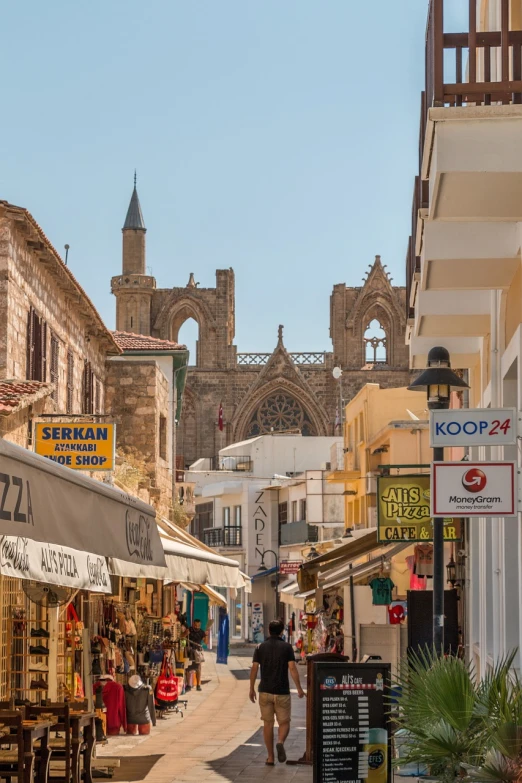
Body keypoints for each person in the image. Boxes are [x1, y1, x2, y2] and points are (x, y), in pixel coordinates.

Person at [249, 619, 305, 766]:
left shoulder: (260, 647)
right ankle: (280, 741)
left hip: (265, 691)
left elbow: (254, 668)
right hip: (282, 692)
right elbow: (292, 668)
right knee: (284, 723)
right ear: (282, 631)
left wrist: (251, 689)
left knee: (267, 724)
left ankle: (270, 757)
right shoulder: (287, 647)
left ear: (268, 630)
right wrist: (299, 688)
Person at [188, 618, 207, 691]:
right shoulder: (189, 630)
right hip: (190, 650)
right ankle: (189, 684)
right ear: (193, 624)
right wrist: (185, 633)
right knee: (188, 668)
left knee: (198, 668)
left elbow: (206, 642)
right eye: (195, 625)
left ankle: (198, 685)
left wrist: (206, 635)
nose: (196, 627)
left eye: (198, 625)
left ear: (200, 625)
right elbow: (183, 636)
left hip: (198, 652)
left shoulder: (202, 632)